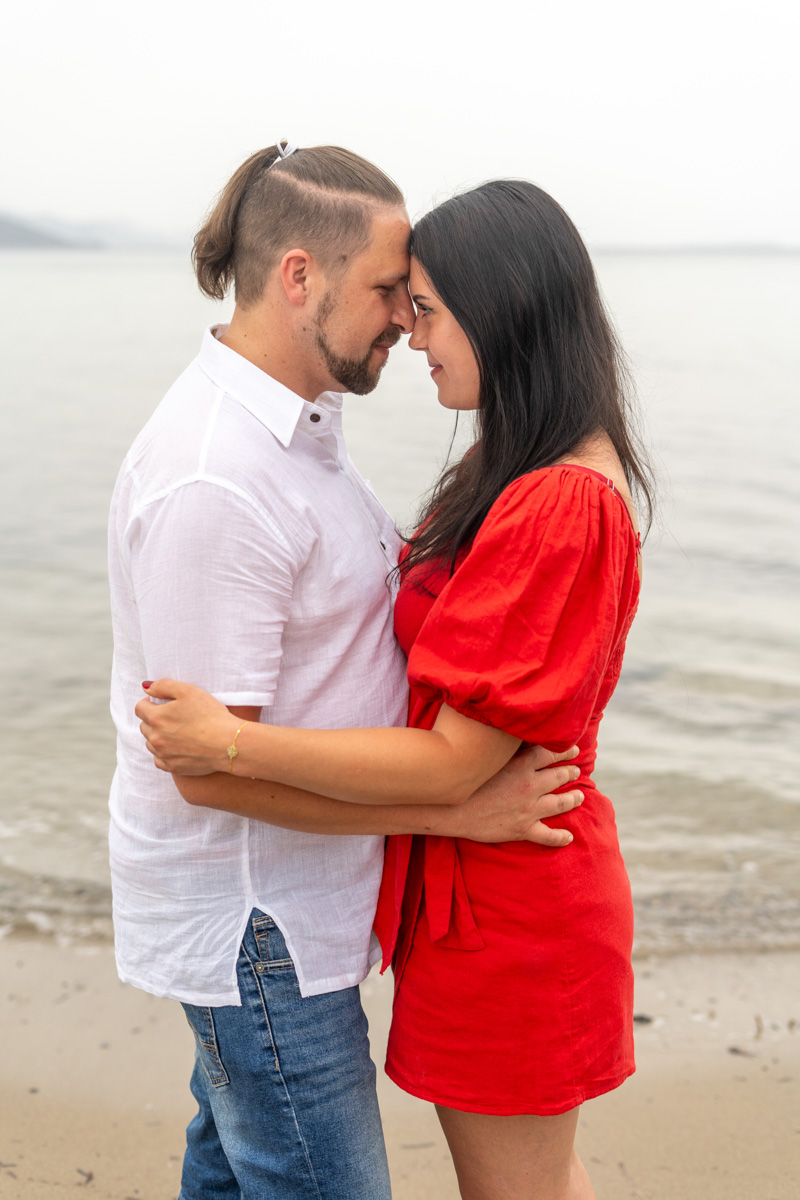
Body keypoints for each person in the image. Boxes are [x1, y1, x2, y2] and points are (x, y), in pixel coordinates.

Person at [138, 178, 653, 1200]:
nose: (410, 334)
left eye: (424, 307)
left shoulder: (558, 500)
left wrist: (230, 742)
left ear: (498, 308)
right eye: (400, 300)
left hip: (515, 909)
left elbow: (464, 755)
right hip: (467, 894)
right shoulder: (514, 470)